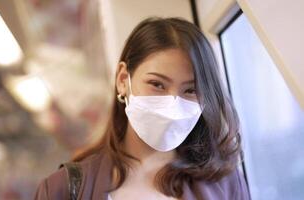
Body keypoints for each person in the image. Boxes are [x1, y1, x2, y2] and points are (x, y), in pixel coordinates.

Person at [34, 17, 250, 200]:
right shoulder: (62, 189)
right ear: (122, 80)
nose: (172, 106)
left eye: (190, 90)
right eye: (157, 84)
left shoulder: (226, 186)